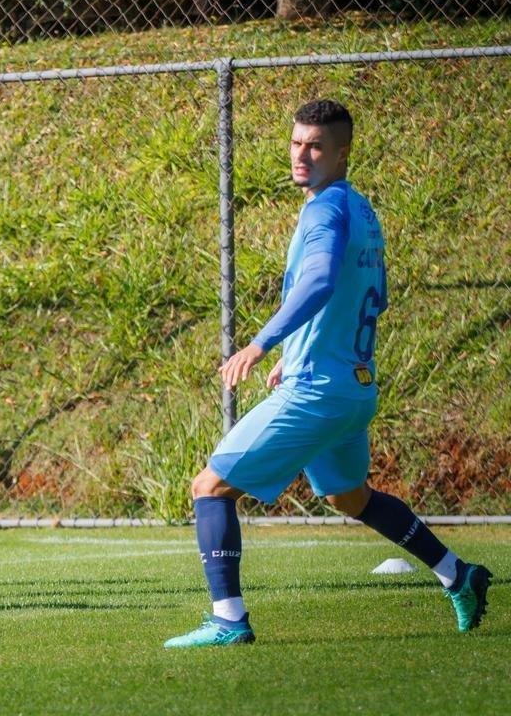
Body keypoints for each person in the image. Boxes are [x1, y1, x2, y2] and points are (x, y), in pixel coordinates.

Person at [164, 99, 492, 648]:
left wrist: (263, 343)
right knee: (349, 497)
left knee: (211, 487)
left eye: (316, 146)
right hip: (353, 385)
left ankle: (228, 620)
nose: (302, 154)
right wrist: (300, 352)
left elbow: (317, 283)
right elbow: (373, 298)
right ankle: (458, 575)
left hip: (319, 391)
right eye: (296, 142)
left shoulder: (324, 211)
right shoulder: (362, 211)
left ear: (343, 153)